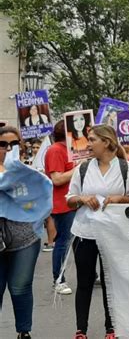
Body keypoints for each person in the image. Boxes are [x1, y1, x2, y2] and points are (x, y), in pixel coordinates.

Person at [66, 124, 129, 339]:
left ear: (106, 142)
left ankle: (111, 327)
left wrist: (119, 199)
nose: (88, 144)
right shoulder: (83, 168)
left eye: (92, 139)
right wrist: (81, 199)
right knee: (85, 281)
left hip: (114, 234)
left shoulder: (126, 168)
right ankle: (81, 329)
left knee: (111, 282)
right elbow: (69, 200)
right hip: (84, 232)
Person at [0, 126, 52, 339]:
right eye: (3, 144)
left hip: (26, 238)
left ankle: (24, 331)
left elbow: (42, 199)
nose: (8, 148)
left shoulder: (30, 173)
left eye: (13, 144)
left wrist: (49, 223)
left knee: (20, 287)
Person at [44, 120, 76, 295]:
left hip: (75, 201)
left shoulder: (72, 150)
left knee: (79, 242)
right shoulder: (56, 150)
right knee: (63, 242)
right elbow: (56, 179)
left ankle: (90, 274)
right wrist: (79, 168)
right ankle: (58, 279)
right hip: (63, 204)